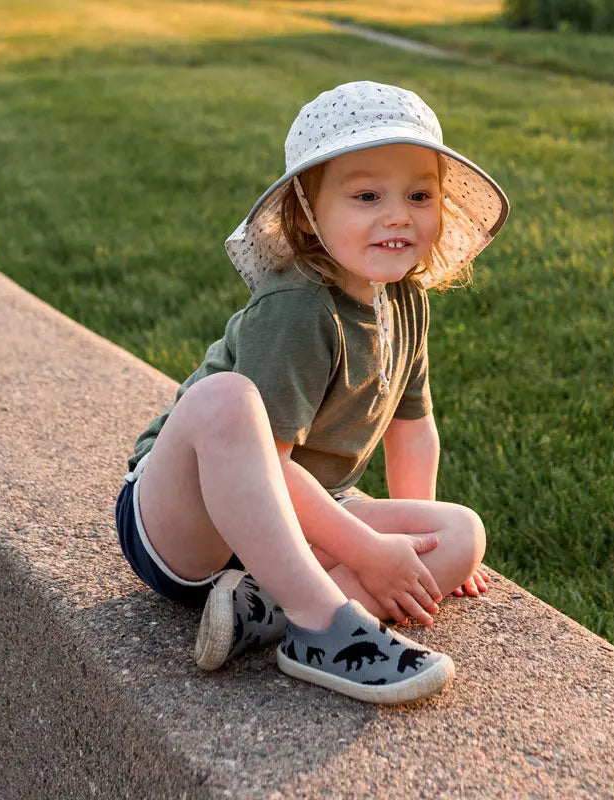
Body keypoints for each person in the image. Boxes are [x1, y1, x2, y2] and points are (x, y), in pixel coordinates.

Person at [115, 80, 509, 704]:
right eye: (367, 195)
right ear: (308, 211)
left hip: (306, 513)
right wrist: (369, 551)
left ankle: (266, 611)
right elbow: (267, 465)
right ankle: (326, 628)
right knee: (227, 400)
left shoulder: (403, 300)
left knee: (460, 533)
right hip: (190, 522)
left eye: (419, 194)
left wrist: (411, 547)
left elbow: (413, 430)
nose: (398, 214)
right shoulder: (298, 306)